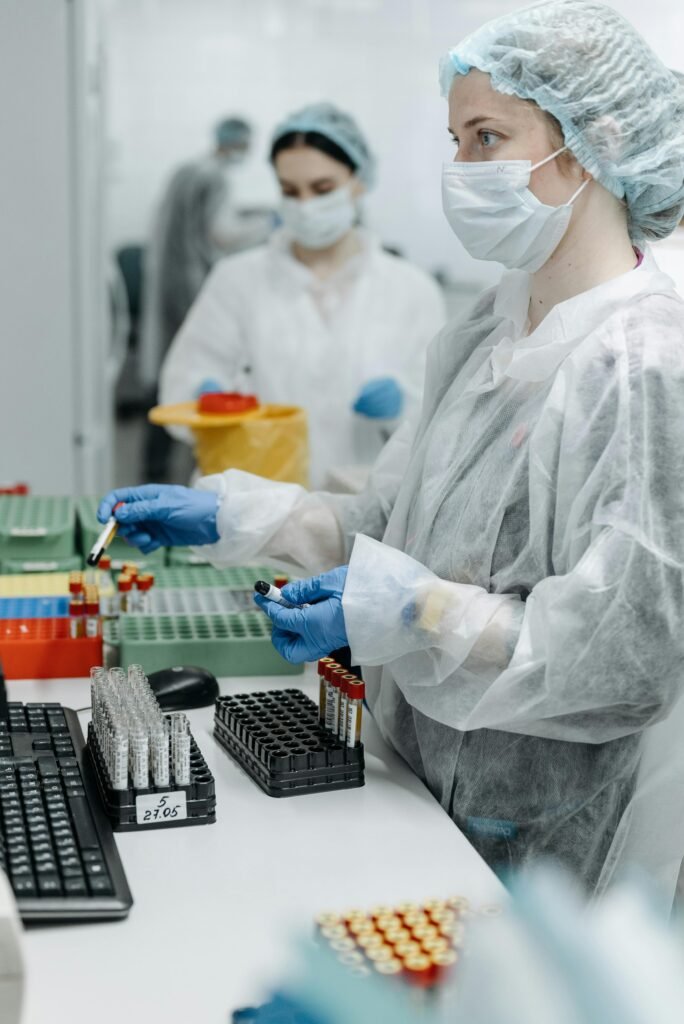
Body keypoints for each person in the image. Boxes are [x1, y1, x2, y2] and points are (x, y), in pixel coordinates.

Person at [100, 0, 684, 904]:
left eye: (487, 136)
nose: (461, 169)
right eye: (455, 138)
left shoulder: (641, 369)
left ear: (595, 142)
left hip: (543, 835)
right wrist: (239, 512)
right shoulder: (482, 334)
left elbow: (618, 660)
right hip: (405, 777)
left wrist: (413, 612)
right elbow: (383, 522)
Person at [158, 102, 446, 488]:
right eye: (290, 191)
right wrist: (203, 396)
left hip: (363, 511)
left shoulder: (410, 290)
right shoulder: (237, 280)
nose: (306, 205)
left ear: (358, 181)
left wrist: (404, 404)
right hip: (249, 506)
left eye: (322, 188)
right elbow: (184, 380)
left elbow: (444, 417)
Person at [140, 117, 256, 479]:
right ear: (239, 143)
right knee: (197, 378)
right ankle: (202, 468)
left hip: (166, 286)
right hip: (196, 286)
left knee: (167, 376)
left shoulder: (185, 171)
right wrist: (266, 226)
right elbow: (222, 233)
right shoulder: (216, 178)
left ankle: (154, 472)